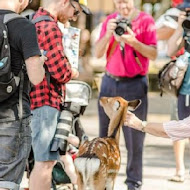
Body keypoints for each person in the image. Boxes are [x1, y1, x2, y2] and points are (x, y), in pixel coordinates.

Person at [94, 0, 157, 189]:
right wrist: (107, 35)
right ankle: (102, 181)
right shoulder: (110, 21)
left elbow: (153, 54)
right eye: (119, 2)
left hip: (135, 84)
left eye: (126, 2)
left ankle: (133, 183)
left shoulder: (146, 20)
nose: (123, 7)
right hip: (109, 83)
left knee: (134, 138)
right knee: (104, 137)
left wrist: (134, 42)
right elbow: (97, 53)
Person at [28, 1, 91, 190]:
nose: (73, 16)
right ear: (64, 2)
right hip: (45, 100)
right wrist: (73, 71)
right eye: (75, 11)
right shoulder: (50, 27)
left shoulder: (34, 20)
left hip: (36, 99)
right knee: (45, 163)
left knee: (41, 162)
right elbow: (61, 72)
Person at [0, 0, 45, 189]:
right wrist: (40, 61)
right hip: (13, 117)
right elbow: (36, 77)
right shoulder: (23, 26)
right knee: (6, 182)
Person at [156, 1, 187, 182]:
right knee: (179, 124)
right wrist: (181, 27)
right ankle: (180, 169)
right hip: (183, 82)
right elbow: (170, 49)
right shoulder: (178, 20)